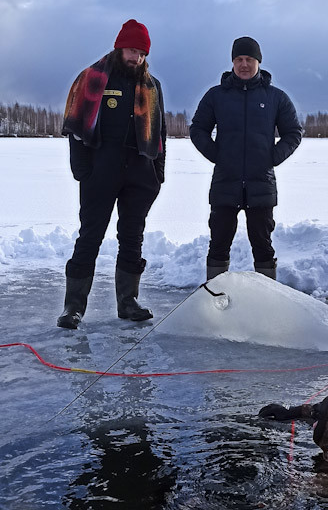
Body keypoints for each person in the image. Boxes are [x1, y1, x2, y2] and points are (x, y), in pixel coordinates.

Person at [58, 19, 166, 329]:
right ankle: (73, 306)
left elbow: (161, 132)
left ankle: (128, 302)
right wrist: (83, 171)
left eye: (142, 53)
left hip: (140, 173)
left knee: (132, 238)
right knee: (90, 236)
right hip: (101, 170)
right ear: (120, 48)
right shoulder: (93, 79)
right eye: (133, 51)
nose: (137, 59)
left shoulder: (151, 85)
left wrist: (157, 173)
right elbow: (75, 128)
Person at [189, 36, 302, 281]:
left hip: (261, 183)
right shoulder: (216, 96)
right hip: (225, 182)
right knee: (218, 244)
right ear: (232, 62)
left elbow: (293, 133)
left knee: (262, 245)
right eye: (239, 59)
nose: (244, 64)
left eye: (249, 59)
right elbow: (198, 129)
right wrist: (218, 155)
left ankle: (267, 299)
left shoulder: (275, 98)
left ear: (258, 62)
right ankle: (215, 298)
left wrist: (272, 157)